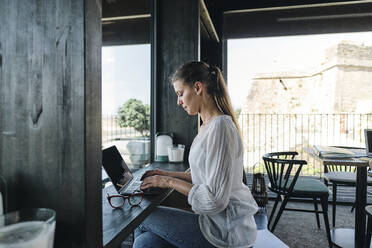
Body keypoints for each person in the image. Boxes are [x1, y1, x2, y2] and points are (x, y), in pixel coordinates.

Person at [133, 61, 258, 248]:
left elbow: (214, 200)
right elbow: (201, 177)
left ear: (198, 87)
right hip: (213, 221)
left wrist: (167, 182)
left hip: (225, 230)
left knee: (140, 217)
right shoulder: (206, 126)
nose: (178, 101)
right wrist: (165, 174)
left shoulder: (220, 127)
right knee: (145, 243)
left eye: (180, 93)